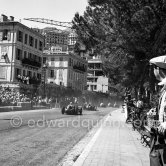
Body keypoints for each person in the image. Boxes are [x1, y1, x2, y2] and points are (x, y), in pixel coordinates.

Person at [149, 55, 166, 166]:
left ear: (158, 69)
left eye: (153, 69)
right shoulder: (164, 88)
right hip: (160, 138)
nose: (153, 72)